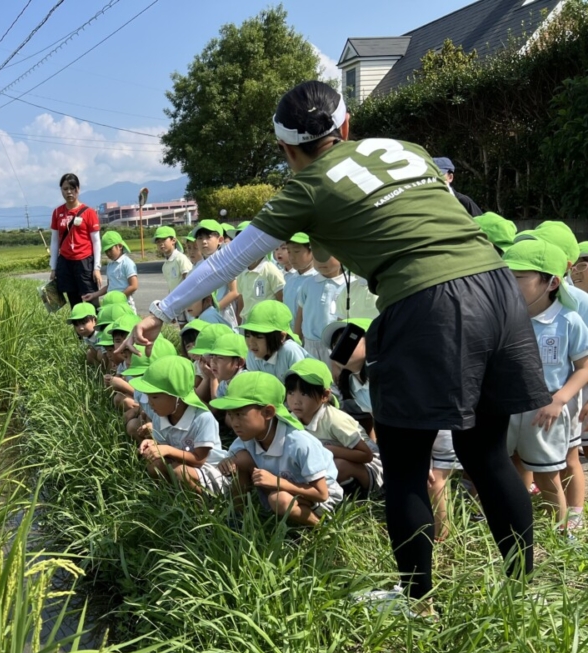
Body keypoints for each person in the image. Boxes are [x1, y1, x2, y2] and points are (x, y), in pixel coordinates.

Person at [127, 80, 550, 613]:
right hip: (496, 288)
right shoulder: (407, 149)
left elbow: (228, 260)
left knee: (403, 461)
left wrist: (158, 313)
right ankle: (523, 593)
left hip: (425, 302)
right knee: (486, 453)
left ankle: (417, 601)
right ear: (345, 127)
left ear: (286, 150)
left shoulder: (306, 188)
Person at [503, 239, 588, 533]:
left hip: (545, 411)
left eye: (519, 278)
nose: (510, 284)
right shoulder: (504, 317)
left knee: (547, 476)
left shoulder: (568, 321)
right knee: (508, 468)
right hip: (507, 406)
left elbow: (584, 367)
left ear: (551, 282)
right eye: (506, 277)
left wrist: (559, 399)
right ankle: (514, 528)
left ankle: (563, 534)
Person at [214, 371, 343, 526]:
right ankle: (239, 519)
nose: (234, 423)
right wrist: (227, 462)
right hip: (281, 487)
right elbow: (236, 457)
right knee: (239, 460)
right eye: (230, 415)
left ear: (268, 412)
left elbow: (321, 493)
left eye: (240, 414)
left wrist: (278, 483)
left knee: (279, 500)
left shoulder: (299, 443)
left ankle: (321, 527)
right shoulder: (248, 436)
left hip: (321, 498)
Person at [284, 358, 383, 498]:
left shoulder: (335, 420)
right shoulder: (292, 419)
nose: (296, 400)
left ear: (325, 396)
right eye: (291, 392)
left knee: (339, 465)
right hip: (328, 465)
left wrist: (330, 450)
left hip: (371, 468)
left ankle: (356, 496)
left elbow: (367, 455)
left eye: (304, 393)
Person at [133, 356, 230, 495]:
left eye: (154, 397)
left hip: (213, 471)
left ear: (177, 396)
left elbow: (199, 459)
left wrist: (167, 449)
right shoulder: (160, 417)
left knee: (180, 472)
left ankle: (203, 507)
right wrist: (153, 444)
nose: (149, 403)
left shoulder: (203, 418)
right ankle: (172, 498)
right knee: (154, 466)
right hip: (184, 465)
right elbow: (165, 449)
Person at [50, 173, 102, 310]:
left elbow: (96, 242)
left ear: (78, 189)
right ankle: (80, 330)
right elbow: (54, 241)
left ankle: (98, 330)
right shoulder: (57, 213)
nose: (69, 192)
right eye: (65, 188)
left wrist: (96, 268)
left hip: (85, 262)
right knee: (75, 305)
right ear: (61, 190)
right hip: (66, 262)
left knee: (92, 302)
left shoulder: (89, 212)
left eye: (72, 188)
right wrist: (53, 268)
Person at [295, 253, 346, 362]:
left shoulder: (348, 285)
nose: (322, 261)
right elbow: (300, 314)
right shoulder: (308, 283)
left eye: (328, 255)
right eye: (318, 256)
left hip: (334, 344)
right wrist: (296, 340)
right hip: (309, 345)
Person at [240, 300, 308, 380]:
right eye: (248, 336)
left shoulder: (290, 351)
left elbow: (301, 387)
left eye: (259, 337)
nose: (251, 342)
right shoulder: (252, 355)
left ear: (281, 336)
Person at [194, 220, 240, 328]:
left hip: (223, 315)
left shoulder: (225, 262)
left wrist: (215, 309)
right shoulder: (197, 266)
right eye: (200, 238)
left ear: (220, 240)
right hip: (203, 316)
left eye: (208, 237)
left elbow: (234, 292)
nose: (204, 242)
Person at [84, 231, 139, 312]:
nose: (108, 253)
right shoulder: (110, 266)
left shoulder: (127, 263)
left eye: (110, 249)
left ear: (120, 246)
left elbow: (134, 286)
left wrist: (118, 298)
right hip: (112, 305)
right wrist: (94, 295)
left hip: (125, 305)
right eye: (106, 251)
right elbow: (110, 286)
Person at [280, 233, 318, 318]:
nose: (292, 257)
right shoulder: (290, 280)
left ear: (312, 251)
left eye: (296, 251)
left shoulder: (317, 280)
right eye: (289, 252)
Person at [156, 226, 193, 293]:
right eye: (158, 242)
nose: (161, 244)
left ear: (173, 240)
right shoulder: (165, 266)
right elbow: (171, 287)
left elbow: (189, 281)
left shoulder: (180, 258)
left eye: (164, 240)